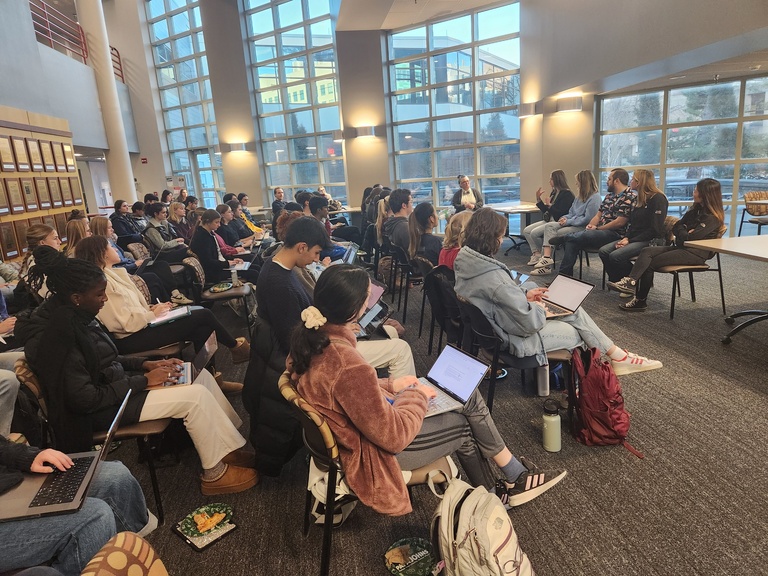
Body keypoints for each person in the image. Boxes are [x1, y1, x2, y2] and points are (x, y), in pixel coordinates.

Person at [290, 265, 567, 514]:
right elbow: (393, 437)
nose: (370, 301)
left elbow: (342, 391)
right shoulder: (347, 363)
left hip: (355, 437)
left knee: (465, 395)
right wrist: (416, 395)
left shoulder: (313, 340)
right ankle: (506, 484)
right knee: (463, 422)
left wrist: (391, 384)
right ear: (354, 309)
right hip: (374, 453)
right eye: (367, 297)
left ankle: (503, 484)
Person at [16, 246, 258, 496]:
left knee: (197, 374)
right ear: (77, 296)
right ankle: (215, 474)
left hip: (116, 390)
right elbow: (84, 399)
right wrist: (143, 381)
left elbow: (105, 358)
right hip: (97, 413)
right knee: (193, 397)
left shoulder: (74, 315)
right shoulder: (55, 338)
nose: (105, 299)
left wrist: (145, 364)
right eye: (100, 294)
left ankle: (226, 450)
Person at [246, 217, 417, 476]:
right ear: (302, 247)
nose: (316, 259)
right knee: (399, 348)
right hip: (321, 357)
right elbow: (292, 340)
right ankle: (395, 424)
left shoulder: (277, 270)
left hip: (319, 347)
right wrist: (338, 332)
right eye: (316, 252)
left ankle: (389, 410)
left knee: (390, 338)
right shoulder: (280, 284)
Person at [454, 208, 663, 376]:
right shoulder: (494, 280)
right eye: (500, 236)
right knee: (578, 333)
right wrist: (538, 307)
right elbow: (528, 324)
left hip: (498, 330)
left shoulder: (468, 263)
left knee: (571, 311)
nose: (501, 240)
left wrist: (525, 295)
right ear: (492, 238)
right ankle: (601, 372)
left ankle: (617, 356)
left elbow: (499, 296)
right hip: (513, 341)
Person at [73, 236, 250, 365]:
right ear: (102, 254)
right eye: (110, 247)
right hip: (129, 338)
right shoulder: (102, 283)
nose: (115, 249)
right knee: (202, 314)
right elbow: (121, 323)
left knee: (201, 327)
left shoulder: (113, 275)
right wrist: (151, 314)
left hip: (140, 325)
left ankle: (213, 376)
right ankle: (236, 347)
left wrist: (152, 308)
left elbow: (128, 308)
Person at [0, 436, 156, 575]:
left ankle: (134, 559)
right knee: (95, 517)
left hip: (8, 481)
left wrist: (24, 456)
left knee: (116, 478)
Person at [610, 178, 725, 312]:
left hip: (695, 253)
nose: (693, 192)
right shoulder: (695, 211)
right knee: (647, 251)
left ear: (705, 194)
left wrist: (685, 231)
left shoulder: (712, 218)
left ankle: (640, 300)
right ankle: (631, 281)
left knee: (649, 263)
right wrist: (685, 230)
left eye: (696, 190)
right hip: (681, 247)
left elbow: (692, 238)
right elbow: (677, 226)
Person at [553, 168, 636, 278]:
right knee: (572, 242)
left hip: (616, 234)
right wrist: (591, 225)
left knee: (585, 235)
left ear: (617, 181)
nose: (607, 181)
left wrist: (598, 229)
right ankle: (563, 278)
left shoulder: (629, 196)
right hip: (599, 233)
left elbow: (619, 223)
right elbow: (598, 215)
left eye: (609, 179)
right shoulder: (609, 196)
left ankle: (565, 237)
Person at [89, 216, 191, 305]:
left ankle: (175, 294)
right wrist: (134, 265)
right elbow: (112, 267)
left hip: (129, 266)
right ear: (101, 228)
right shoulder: (100, 246)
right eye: (109, 227)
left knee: (161, 265)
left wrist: (134, 262)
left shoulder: (109, 240)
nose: (113, 230)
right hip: (125, 272)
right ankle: (167, 300)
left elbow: (122, 259)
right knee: (152, 276)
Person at [599, 169, 668, 283]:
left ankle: (633, 282)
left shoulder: (658, 199)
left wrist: (630, 240)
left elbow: (654, 229)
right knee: (604, 251)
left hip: (651, 240)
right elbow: (632, 224)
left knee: (615, 256)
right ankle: (619, 280)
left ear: (639, 182)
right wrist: (626, 238)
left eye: (633, 179)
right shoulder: (638, 198)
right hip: (635, 238)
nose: (630, 181)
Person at [529, 170, 601, 275]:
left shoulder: (595, 198)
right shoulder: (579, 197)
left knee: (553, 233)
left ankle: (546, 264)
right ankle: (546, 258)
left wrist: (568, 221)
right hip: (571, 223)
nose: (576, 184)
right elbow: (571, 212)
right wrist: (564, 218)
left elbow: (588, 219)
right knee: (549, 227)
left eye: (578, 182)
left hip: (583, 227)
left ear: (583, 182)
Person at [189, 209, 260, 284]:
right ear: (208, 222)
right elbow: (208, 262)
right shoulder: (202, 238)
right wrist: (228, 263)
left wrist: (233, 260)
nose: (219, 225)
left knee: (255, 267)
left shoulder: (209, 234)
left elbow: (219, 255)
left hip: (220, 266)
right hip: (215, 273)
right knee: (253, 273)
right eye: (216, 222)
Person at [522, 170, 575, 267]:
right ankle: (536, 254)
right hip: (548, 219)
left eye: (551, 179)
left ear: (557, 180)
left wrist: (550, 206)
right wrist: (539, 199)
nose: (549, 181)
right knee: (526, 231)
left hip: (557, 221)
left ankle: (544, 257)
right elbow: (547, 210)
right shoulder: (554, 192)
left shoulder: (567, 195)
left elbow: (562, 213)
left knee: (534, 233)